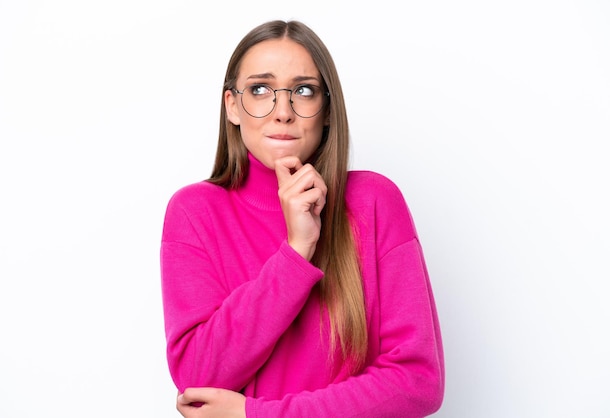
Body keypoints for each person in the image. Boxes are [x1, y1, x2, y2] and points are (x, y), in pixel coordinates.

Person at [160, 19, 445, 418]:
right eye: (260, 89)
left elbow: (417, 383)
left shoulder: (375, 202)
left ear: (327, 110)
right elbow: (197, 377)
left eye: (303, 91)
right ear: (232, 107)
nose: (282, 112)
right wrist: (296, 252)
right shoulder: (195, 212)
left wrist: (256, 415)